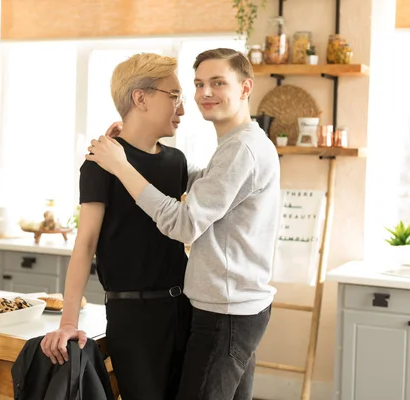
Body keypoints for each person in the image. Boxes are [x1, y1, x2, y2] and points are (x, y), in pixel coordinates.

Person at [86, 48, 280, 400]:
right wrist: (134, 152)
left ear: (245, 88)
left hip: (225, 313)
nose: (204, 93)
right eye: (199, 84)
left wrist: (123, 166)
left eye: (218, 82)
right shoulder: (240, 145)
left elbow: (185, 225)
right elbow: (208, 185)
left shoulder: (242, 150)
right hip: (235, 307)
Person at [41, 53, 193, 400]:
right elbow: (85, 243)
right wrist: (68, 322)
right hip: (132, 317)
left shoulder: (177, 161)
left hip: (184, 310)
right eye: (175, 96)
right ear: (141, 97)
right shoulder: (99, 163)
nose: (183, 108)